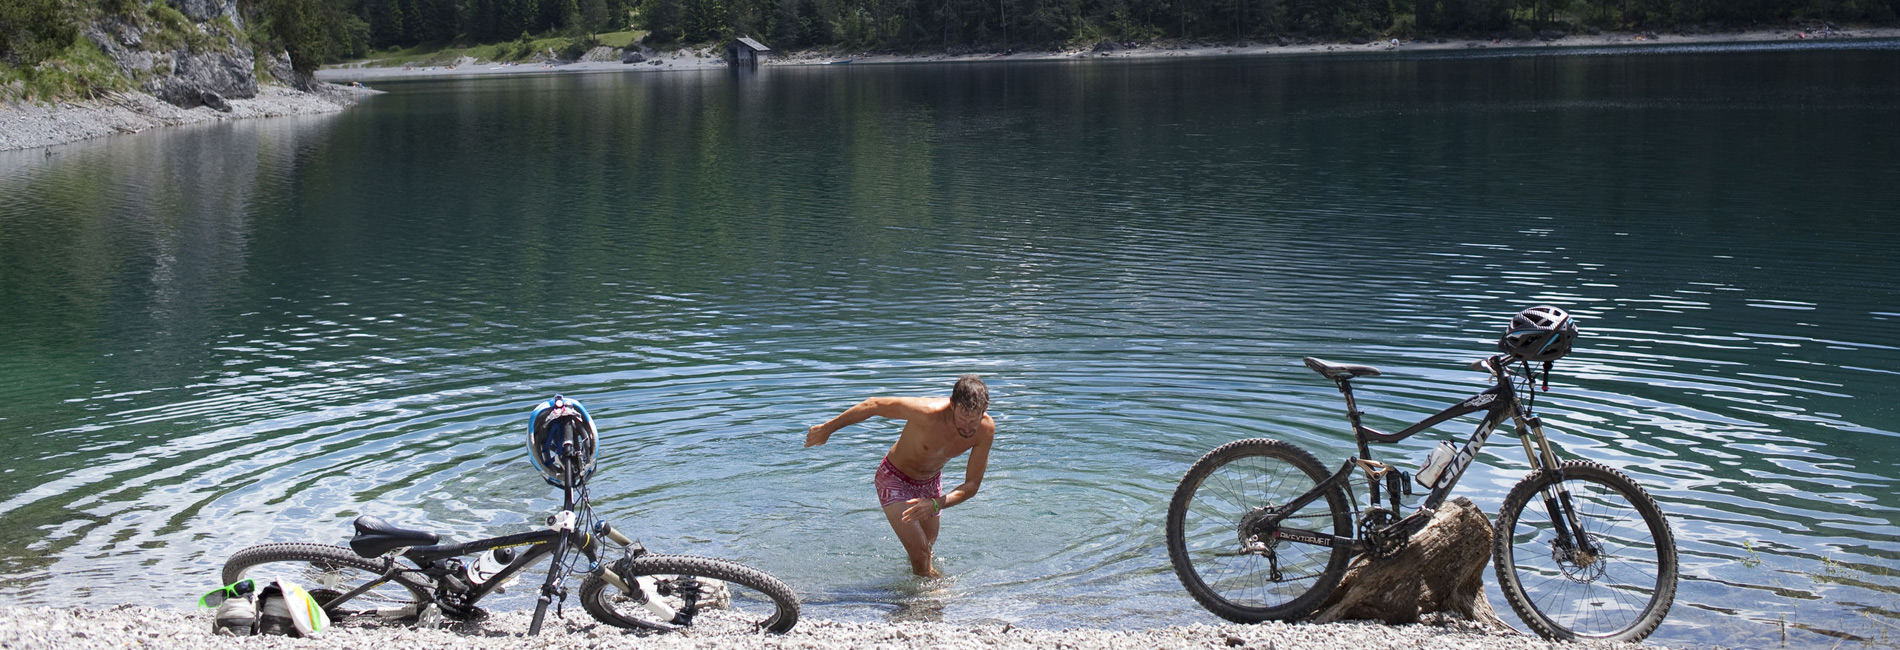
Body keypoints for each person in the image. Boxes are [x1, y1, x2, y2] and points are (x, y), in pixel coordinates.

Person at [806, 375, 994, 577]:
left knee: (926, 549)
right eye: (962, 419)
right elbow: (874, 404)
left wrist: (936, 503)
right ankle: (928, 602)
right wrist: (827, 429)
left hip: (930, 484)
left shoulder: (985, 430)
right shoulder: (927, 413)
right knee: (921, 554)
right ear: (952, 405)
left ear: (984, 410)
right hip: (894, 478)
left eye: (972, 421)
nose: (967, 428)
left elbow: (972, 485)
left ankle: (912, 593)